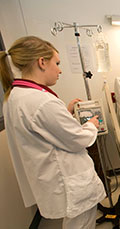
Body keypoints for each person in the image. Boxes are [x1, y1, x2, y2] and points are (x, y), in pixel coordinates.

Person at [0, 36, 105, 228]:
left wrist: (65, 113)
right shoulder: (42, 102)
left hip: (53, 179)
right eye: (56, 63)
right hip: (70, 181)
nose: (60, 70)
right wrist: (91, 124)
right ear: (42, 62)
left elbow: (43, 129)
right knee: (81, 224)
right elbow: (79, 139)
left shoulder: (15, 96)